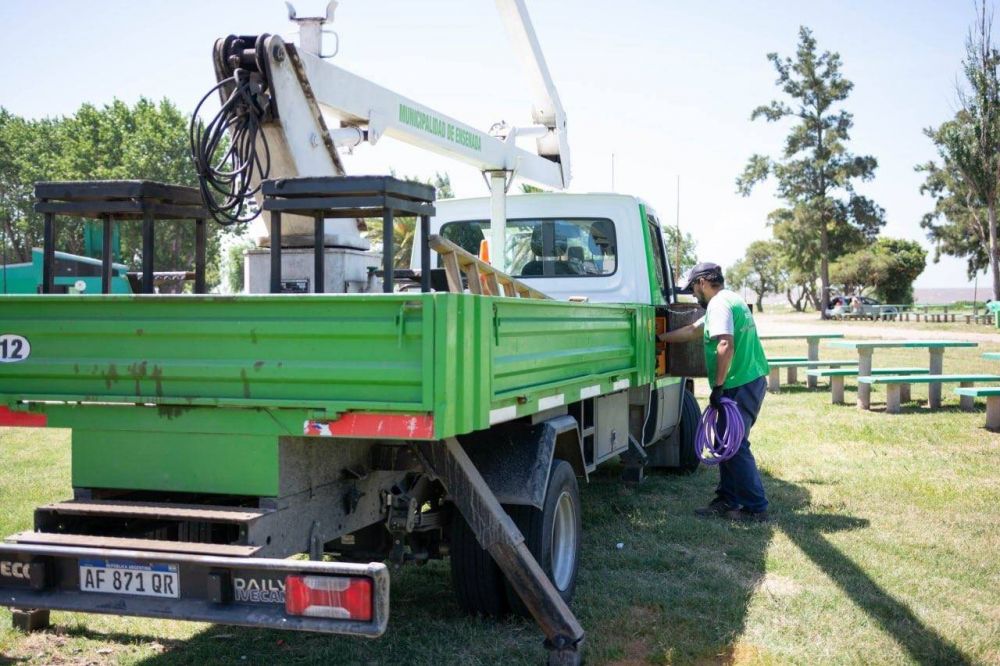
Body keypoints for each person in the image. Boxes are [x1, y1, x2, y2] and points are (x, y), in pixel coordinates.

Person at [658, 262, 771, 522]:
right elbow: (693, 330)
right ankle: (727, 498)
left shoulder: (719, 304)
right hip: (748, 380)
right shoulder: (729, 300)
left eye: (693, 288)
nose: (694, 295)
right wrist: (660, 339)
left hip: (740, 383)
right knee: (725, 443)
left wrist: (718, 387)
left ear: (702, 283)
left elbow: (724, 344)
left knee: (735, 444)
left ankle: (756, 508)